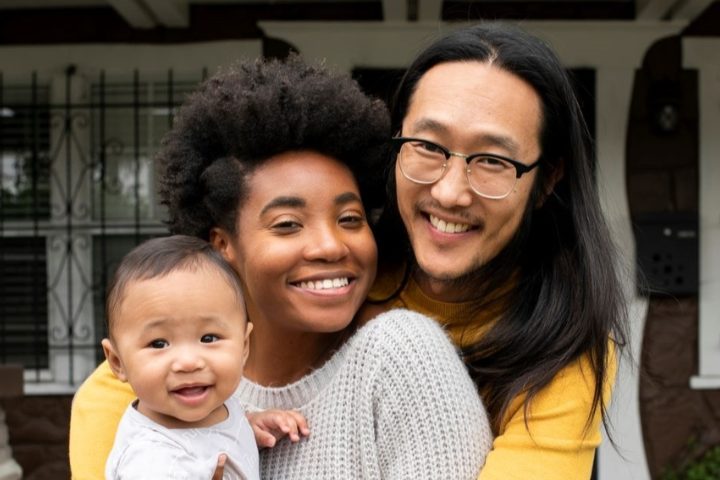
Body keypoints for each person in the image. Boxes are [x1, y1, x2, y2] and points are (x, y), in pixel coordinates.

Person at [69, 55, 493, 480]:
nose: (330, 245)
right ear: (223, 245)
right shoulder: (170, 400)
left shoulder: (400, 357)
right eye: (287, 225)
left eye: (350, 219)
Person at [370, 22, 629, 479]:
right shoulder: (339, 272)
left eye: (493, 160)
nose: (450, 193)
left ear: (547, 180)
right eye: (428, 146)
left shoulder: (565, 341)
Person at [101, 235, 309, 480]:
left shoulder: (216, 406)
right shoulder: (151, 461)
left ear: (243, 346)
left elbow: (208, 440)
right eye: (159, 343)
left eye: (209, 338)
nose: (189, 362)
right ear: (117, 362)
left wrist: (248, 428)